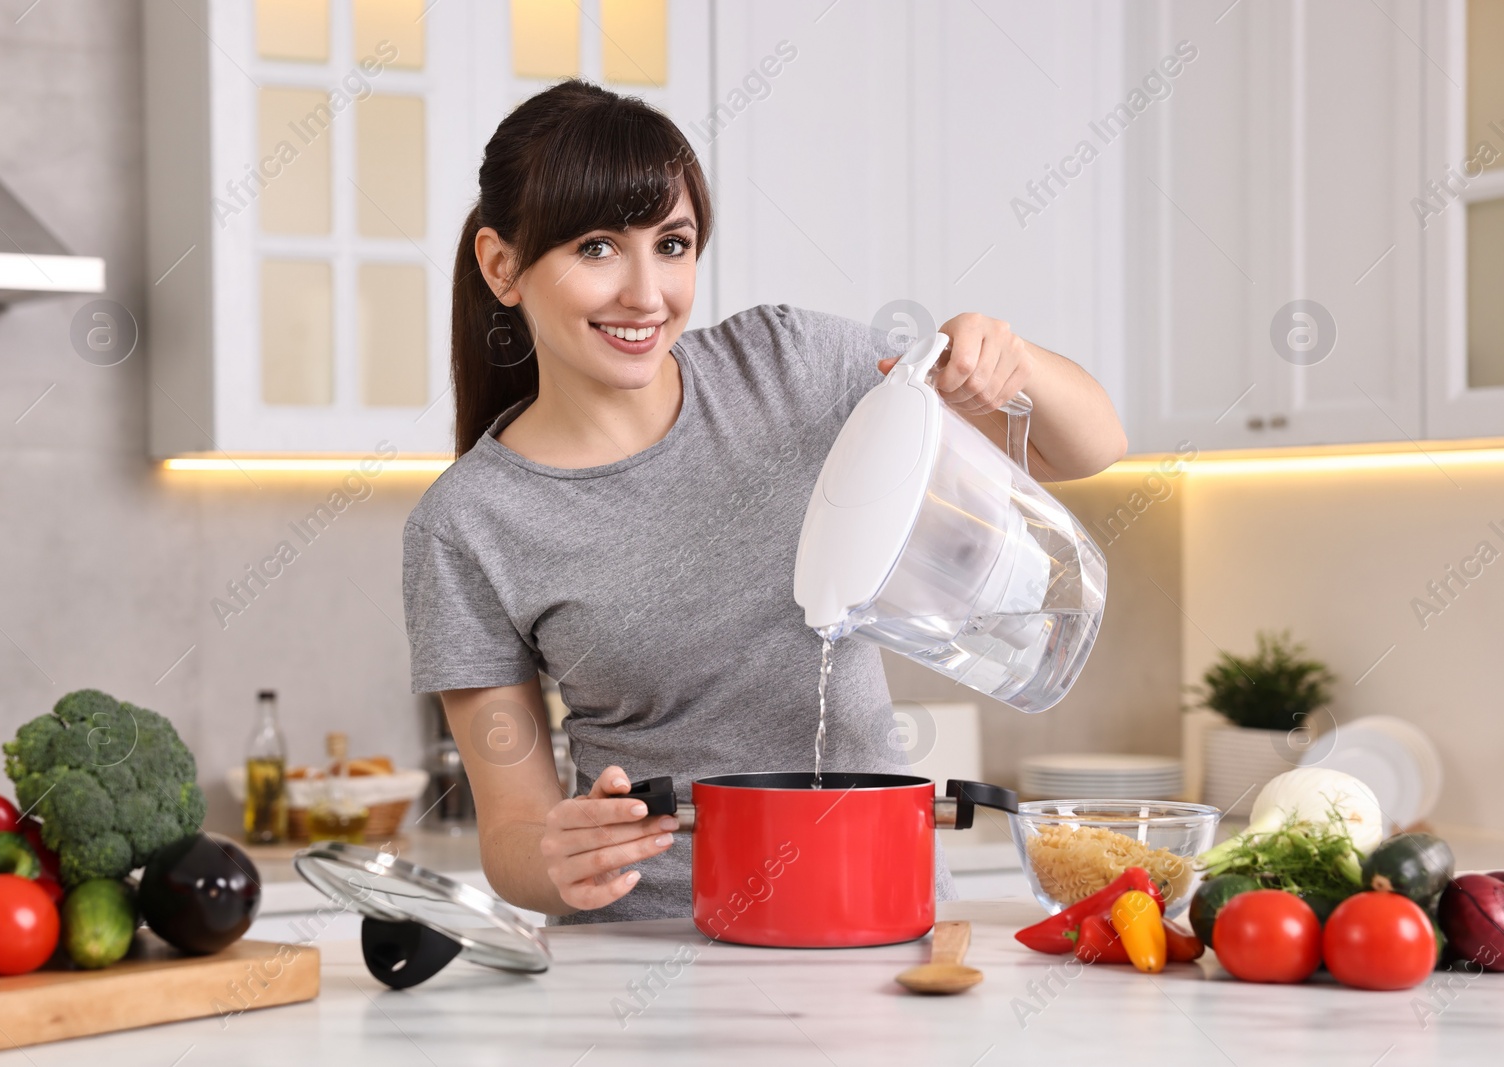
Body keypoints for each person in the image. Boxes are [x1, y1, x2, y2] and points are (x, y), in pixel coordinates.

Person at [402, 79, 1127, 925]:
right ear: (502, 266)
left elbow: (1092, 445)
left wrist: (1013, 360)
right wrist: (559, 855)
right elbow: (514, 833)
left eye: (672, 245)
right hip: (661, 946)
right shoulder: (467, 525)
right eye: (597, 248)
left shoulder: (791, 368)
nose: (647, 293)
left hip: (884, 914)